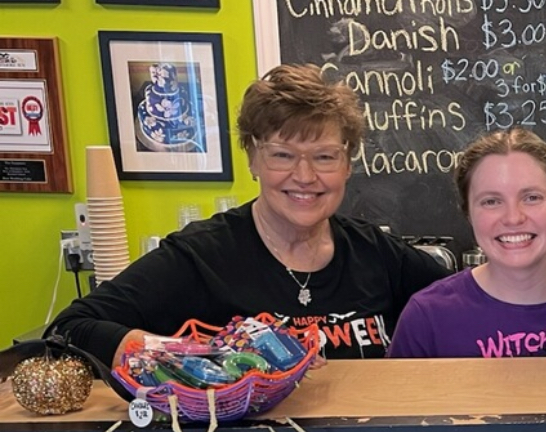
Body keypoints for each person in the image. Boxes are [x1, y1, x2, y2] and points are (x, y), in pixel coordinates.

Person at [48, 64, 449, 367]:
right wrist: (187, 354)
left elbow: (464, 302)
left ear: (347, 165)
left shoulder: (377, 254)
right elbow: (69, 329)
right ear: (253, 158)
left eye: (325, 157)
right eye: (282, 155)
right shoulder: (200, 256)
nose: (304, 176)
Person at [388, 129, 546, 358]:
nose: (513, 218)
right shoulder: (426, 317)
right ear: (468, 214)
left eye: (532, 198)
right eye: (491, 201)